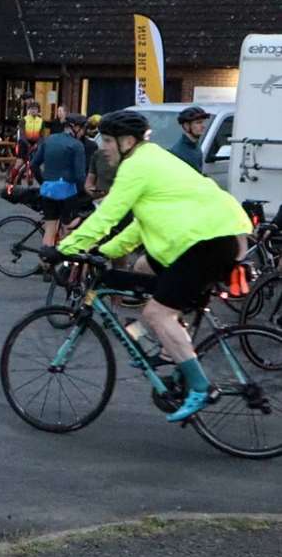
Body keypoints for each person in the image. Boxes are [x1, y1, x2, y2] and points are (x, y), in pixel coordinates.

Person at [56, 110, 250, 422]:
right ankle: (166, 348)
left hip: (208, 240)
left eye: (106, 140)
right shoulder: (151, 159)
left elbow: (109, 216)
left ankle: (201, 387)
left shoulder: (137, 166)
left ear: (127, 141)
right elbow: (137, 225)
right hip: (209, 236)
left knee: (157, 313)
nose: (102, 146)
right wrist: (104, 250)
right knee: (144, 270)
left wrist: (63, 249)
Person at [30, 114, 89, 247]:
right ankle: (64, 262)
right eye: (83, 129)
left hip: (48, 191)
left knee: (49, 231)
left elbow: (33, 165)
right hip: (67, 192)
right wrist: (85, 193)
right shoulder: (77, 145)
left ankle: (45, 263)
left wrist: (43, 182)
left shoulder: (49, 140)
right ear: (76, 128)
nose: (83, 133)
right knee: (67, 228)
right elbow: (80, 176)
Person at [168, 105, 209, 171]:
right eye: (198, 123)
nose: (203, 126)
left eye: (203, 122)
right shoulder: (178, 152)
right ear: (186, 126)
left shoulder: (195, 146)